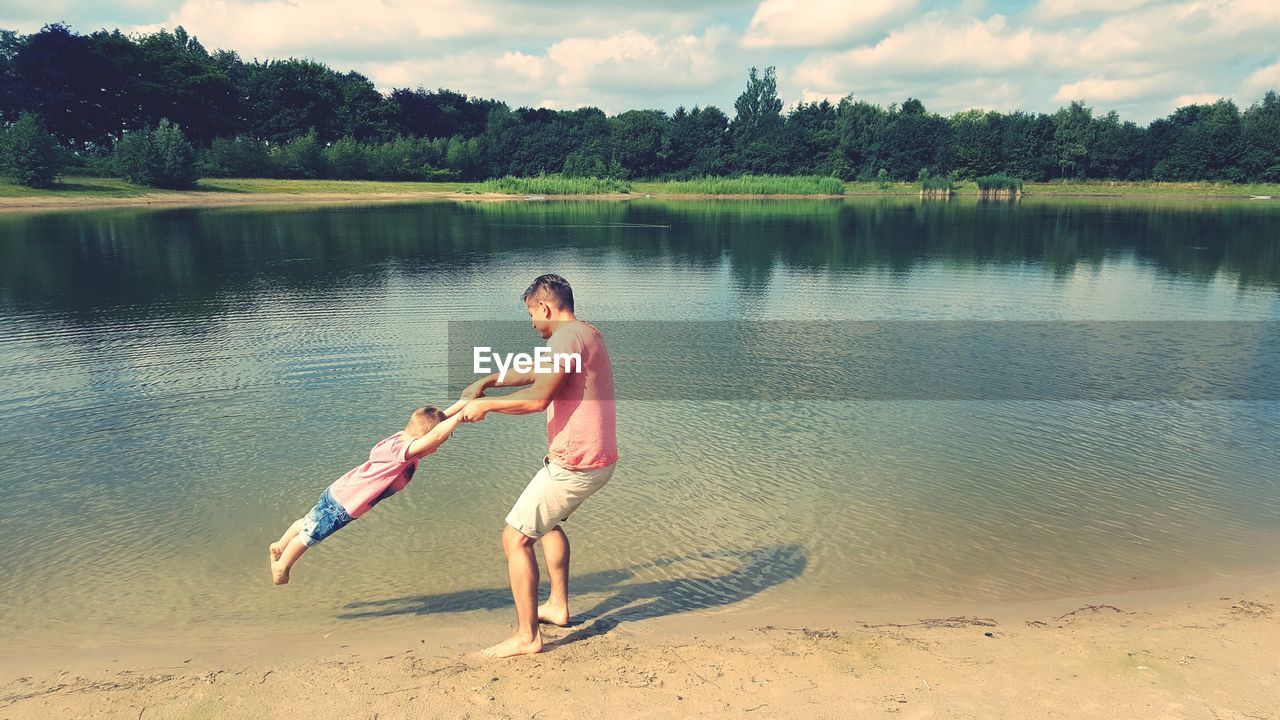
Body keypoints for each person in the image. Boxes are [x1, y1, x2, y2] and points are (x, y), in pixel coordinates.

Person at [460, 274, 618, 658]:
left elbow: (537, 398)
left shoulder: (566, 338)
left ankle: (528, 637)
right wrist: (489, 380)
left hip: (576, 463)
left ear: (544, 307)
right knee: (548, 526)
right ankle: (558, 606)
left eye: (531, 313)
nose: (532, 323)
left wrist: (485, 406)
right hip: (593, 458)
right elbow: (536, 370)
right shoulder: (583, 332)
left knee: (515, 538)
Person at [269, 399, 470, 585]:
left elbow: (435, 426)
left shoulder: (401, 438)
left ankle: (280, 545)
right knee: (311, 534)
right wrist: (460, 417)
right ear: (425, 440)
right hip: (345, 504)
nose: (436, 448)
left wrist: (464, 403)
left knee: (309, 520)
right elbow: (435, 433)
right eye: (437, 445)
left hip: (340, 490)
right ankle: (282, 565)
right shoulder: (402, 454)